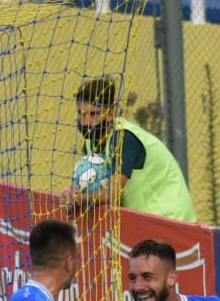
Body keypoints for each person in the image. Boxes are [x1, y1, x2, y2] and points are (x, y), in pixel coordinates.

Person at [65, 76, 197, 222]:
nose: (86, 122)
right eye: (81, 114)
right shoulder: (90, 143)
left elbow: (113, 194)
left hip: (171, 219)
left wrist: (79, 198)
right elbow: (94, 182)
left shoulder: (124, 138)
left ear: (111, 114)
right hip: (142, 219)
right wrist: (71, 192)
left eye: (94, 114)